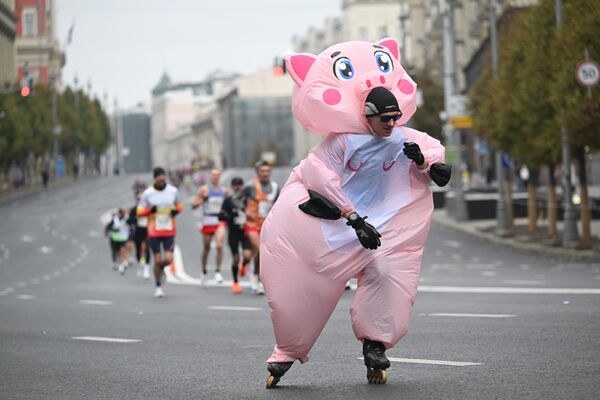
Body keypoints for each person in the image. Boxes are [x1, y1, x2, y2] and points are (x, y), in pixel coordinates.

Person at [260, 39, 449, 388]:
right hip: (340, 225)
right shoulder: (343, 142)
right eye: (384, 119)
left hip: (388, 226)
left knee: (389, 273)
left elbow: (436, 161)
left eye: (396, 117)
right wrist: (353, 218)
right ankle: (287, 351)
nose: (391, 124)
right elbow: (319, 175)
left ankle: (376, 347)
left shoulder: (405, 138)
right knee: (306, 287)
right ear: (367, 115)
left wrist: (425, 162)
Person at [138, 167, 184, 298]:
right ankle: (158, 286)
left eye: (163, 179)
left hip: (169, 230)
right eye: (159, 179)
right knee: (157, 260)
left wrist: (176, 211)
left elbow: (180, 205)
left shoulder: (173, 191)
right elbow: (139, 211)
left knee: (168, 259)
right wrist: (149, 211)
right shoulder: (148, 193)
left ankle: (162, 269)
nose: (161, 181)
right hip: (154, 232)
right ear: (155, 179)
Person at [239, 161, 279, 294]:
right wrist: (243, 209)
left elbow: (280, 204)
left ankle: (255, 276)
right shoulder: (250, 186)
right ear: (257, 173)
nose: (265, 174)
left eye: (267, 171)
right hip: (252, 225)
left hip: (267, 226)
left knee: (261, 254)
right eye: (262, 171)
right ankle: (259, 280)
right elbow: (236, 199)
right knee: (261, 250)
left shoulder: (274, 187)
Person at [191, 168, 228, 285]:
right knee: (206, 248)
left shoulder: (224, 191)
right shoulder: (204, 190)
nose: (215, 177)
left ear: (220, 177)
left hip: (219, 221)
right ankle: (204, 271)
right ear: (210, 177)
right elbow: (193, 205)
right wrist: (203, 199)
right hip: (207, 221)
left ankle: (217, 271)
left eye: (217, 175)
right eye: (213, 175)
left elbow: (228, 205)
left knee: (219, 245)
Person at [218, 177, 252, 294]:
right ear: (232, 187)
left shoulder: (248, 199)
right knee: (235, 258)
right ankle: (236, 282)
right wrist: (230, 215)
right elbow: (221, 216)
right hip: (233, 232)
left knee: (247, 256)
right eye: (235, 185)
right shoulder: (228, 200)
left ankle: (244, 265)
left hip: (246, 231)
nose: (237, 187)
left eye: (240, 185)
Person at [128, 190, 151, 279]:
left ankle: (146, 269)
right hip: (138, 230)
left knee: (147, 249)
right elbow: (129, 221)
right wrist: (136, 218)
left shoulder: (149, 208)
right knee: (138, 251)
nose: (140, 200)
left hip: (148, 230)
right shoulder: (134, 209)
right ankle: (140, 261)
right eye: (138, 199)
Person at [105, 208, 130, 275]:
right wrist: (110, 231)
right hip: (114, 239)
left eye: (122, 214)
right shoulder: (114, 220)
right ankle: (115, 262)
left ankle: (121, 266)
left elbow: (131, 226)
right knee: (115, 251)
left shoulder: (126, 220)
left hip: (123, 239)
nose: (121, 215)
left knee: (122, 251)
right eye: (120, 213)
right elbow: (108, 227)